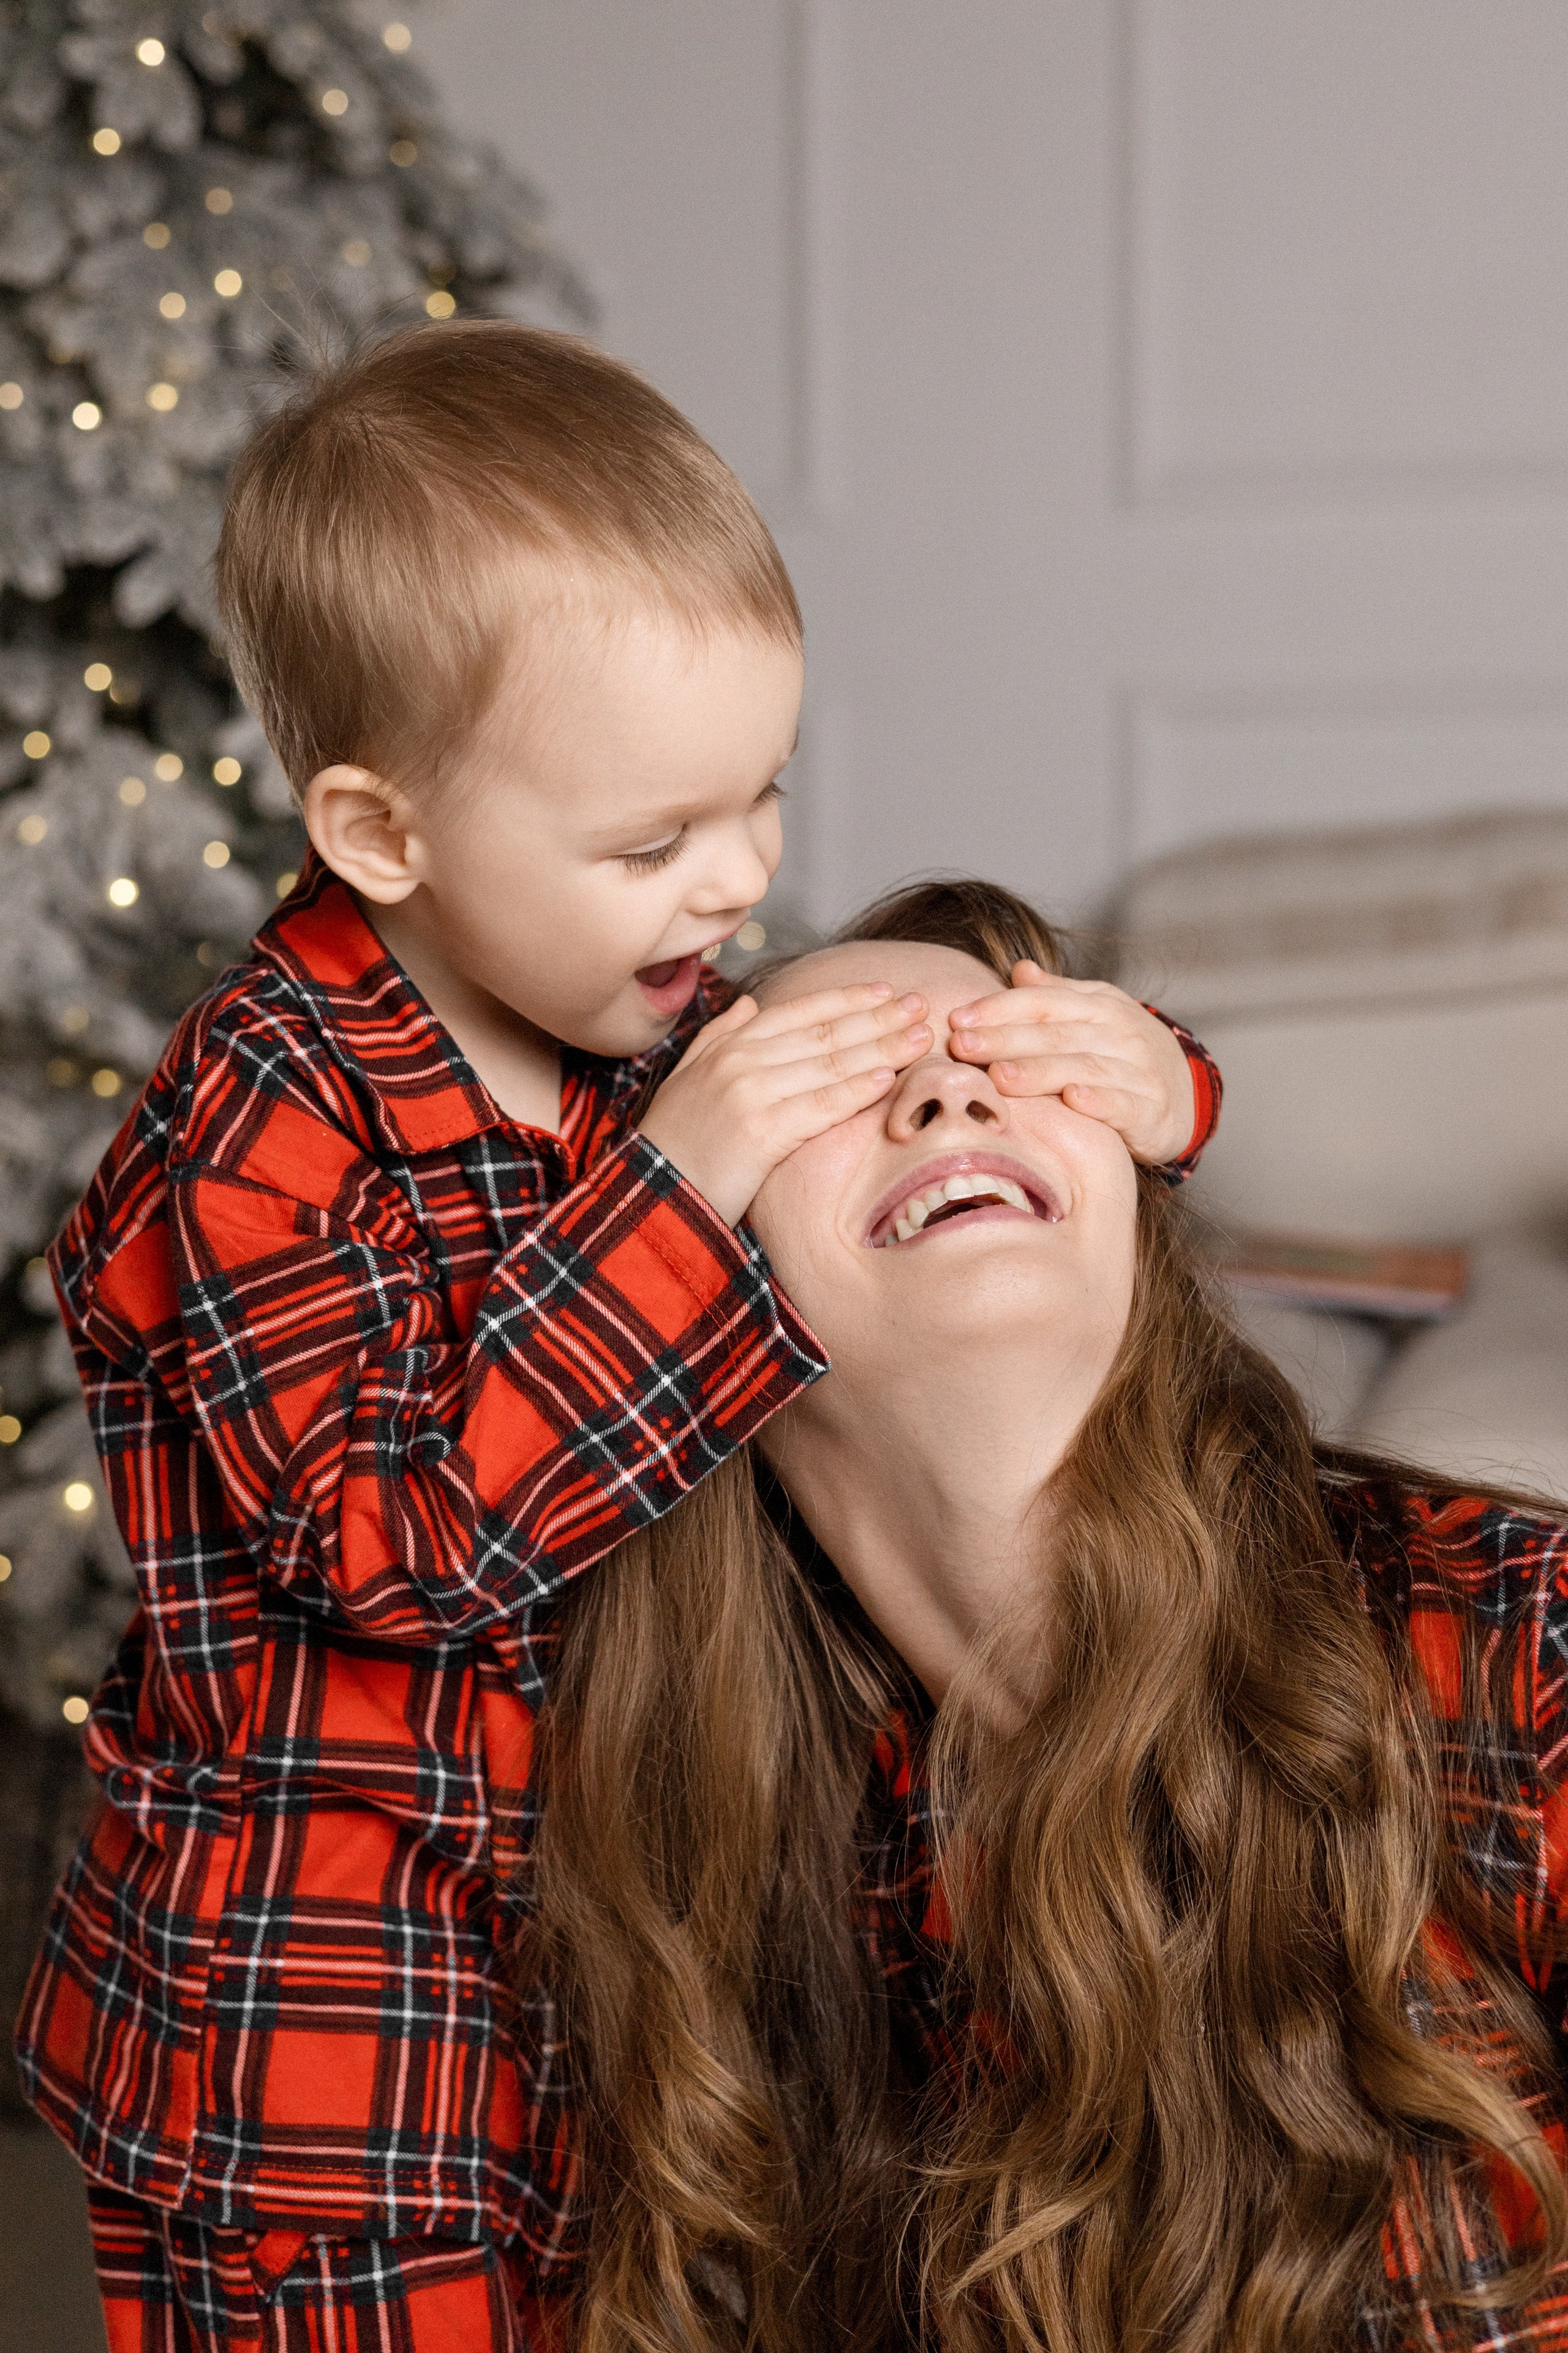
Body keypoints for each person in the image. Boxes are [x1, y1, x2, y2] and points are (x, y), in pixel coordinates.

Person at [15, 325, 1221, 2353]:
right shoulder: (254, 1122)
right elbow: (400, 1545)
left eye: (757, 797)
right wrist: (676, 1189)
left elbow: (922, 1127)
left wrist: (1150, 1082)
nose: (738, 882)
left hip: (600, 1963)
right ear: (386, 838)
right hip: (328, 2039)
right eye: (655, 841)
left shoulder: (625, 1003)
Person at [522, 877, 1568, 2353]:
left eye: (1008, 1050)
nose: (946, 1092)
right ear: (681, 1278)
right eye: (828, 1077)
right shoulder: (676, 1855)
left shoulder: (1518, 1635)